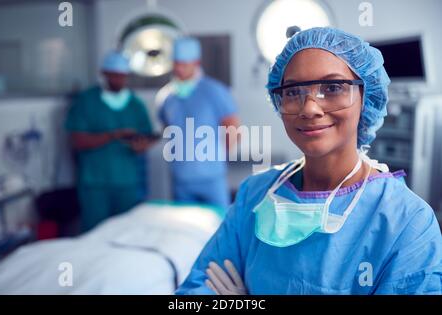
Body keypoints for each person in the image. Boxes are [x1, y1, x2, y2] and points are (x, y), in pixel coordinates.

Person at [176, 27, 442, 294]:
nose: (309, 108)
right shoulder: (254, 195)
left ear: (366, 97)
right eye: (293, 91)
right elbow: (197, 289)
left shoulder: (408, 222)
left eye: (333, 87)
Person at [65, 51, 155, 232]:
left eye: (122, 76)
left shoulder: (135, 105)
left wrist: (140, 146)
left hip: (127, 183)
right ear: (104, 74)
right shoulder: (86, 101)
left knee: (125, 233)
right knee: (94, 234)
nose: (118, 80)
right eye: (114, 75)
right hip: (95, 184)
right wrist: (113, 135)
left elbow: (146, 138)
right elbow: (78, 141)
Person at [157, 37, 240, 210]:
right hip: (181, 179)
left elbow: (233, 128)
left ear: (196, 63)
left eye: (184, 64)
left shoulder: (215, 91)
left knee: (218, 226)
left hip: (211, 177)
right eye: (176, 64)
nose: (179, 69)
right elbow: (167, 130)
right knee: (185, 230)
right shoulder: (167, 97)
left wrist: (216, 156)